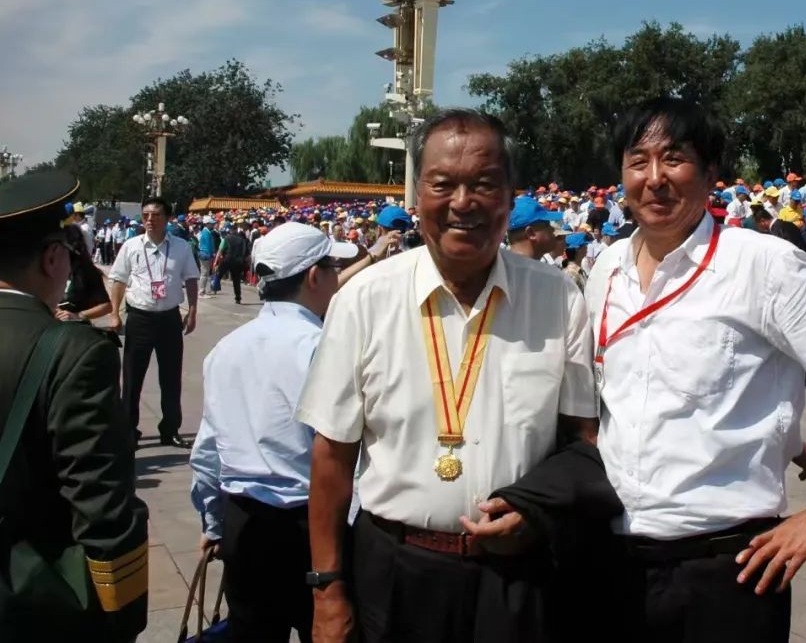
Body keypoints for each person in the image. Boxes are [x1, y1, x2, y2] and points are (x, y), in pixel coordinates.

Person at [585, 98, 806, 641]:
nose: (654, 178)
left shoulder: (761, 264)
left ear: (710, 174)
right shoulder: (607, 268)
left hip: (728, 567)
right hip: (616, 563)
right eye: (638, 161)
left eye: (673, 159)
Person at [296, 109, 597, 643]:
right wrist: (327, 590)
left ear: (510, 197)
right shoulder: (364, 299)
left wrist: (541, 514)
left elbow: (582, 440)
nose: (463, 202)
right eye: (442, 184)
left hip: (516, 575)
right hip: (395, 569)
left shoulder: (558, 298)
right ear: (417, 197)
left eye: (484, 184)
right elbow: (332, 458)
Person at [191, 222, 357, 643]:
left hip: (245, 522)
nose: (338, 277)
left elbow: (207, 451)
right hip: (311, 527)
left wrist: (213, 523)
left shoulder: (226, 348)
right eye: (334, 267)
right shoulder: (320, 347)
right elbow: (342, 454)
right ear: (314, 276)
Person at [0, 171, 148, 642]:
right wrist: (121, 616)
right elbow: (101, 505)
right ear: (51, 258)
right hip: (30, 601)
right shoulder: (74, 351)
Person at [108, 197, 200, 448]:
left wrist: (192, 311)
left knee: (171, 377)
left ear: (168, 218)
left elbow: (191, 279)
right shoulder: (131, 246)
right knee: (132, 377)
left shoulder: (181, 247)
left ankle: (170, 429)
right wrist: (115, 313)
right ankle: (128, 430)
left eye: (156, 215)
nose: (150, 220)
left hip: (169, 318)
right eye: (146, 215)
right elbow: (119, 280)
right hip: (140, 318)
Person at [506, 196, 564, 261]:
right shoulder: (526, 267)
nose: (552, 229)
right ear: (531, 233)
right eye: (547, 225)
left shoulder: (504, 263)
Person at [217, 222, 251, 304]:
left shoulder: (226, 238)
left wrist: (216, 261)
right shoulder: (242, 240)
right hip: (238, 262)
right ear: (236, 230)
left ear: (230, 230)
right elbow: (246, 254)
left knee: (218, 274)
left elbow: (220, 250)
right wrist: (247, 263)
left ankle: (214, 287)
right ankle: (238, 298)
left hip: (227, 260)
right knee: (236, 281)